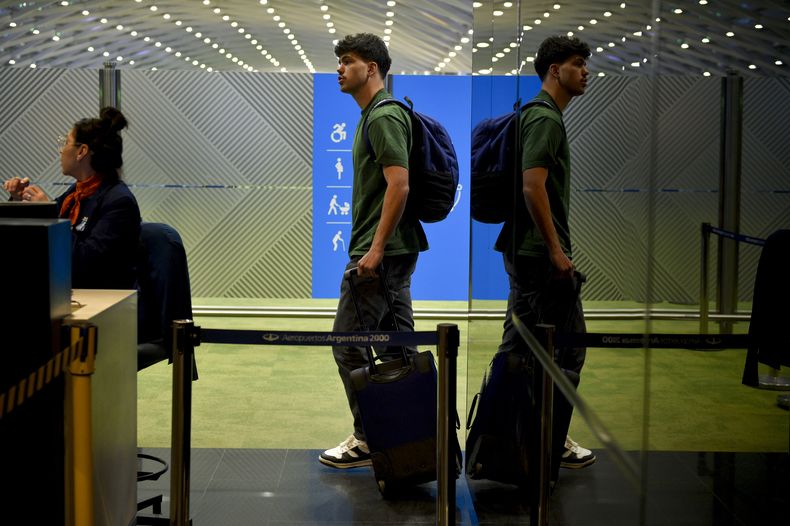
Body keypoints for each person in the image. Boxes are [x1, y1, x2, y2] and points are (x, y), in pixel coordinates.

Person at [319, 33, 428, 469]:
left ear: (373, 68)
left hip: (379, 256)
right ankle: (414, 439)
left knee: (348, 344)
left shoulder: (382, 116)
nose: (340, 69)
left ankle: (370, 437)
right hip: (391, 253)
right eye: (340, 62)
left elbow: (398, 185)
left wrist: (375, 249)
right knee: (400, 351)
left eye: (348, 61)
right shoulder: (375, 115)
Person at [494, 36, 595, 475]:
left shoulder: (538, 115)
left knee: (517, 347)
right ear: (555, 70)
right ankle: (550, 441)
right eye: (577, 64)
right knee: (568, 350)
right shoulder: (546, 119)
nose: (585, 71)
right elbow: (532, 186)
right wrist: (557, 251)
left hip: (524, 252)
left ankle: (501, 439)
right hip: (539, 256)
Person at [3, 107, 141, 289]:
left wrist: (49, 215)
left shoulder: (118, 202)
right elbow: (36, 240)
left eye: (66, 143)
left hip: (102, 302)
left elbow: (83, 262)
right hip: (66, 294)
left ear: (81, 151)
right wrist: (20, 201)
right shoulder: (75, 194)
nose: (61, 151)